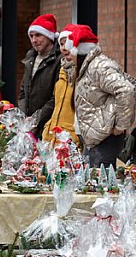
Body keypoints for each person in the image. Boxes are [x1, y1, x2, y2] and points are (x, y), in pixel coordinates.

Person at [67, 25, 136, 167]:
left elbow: (126, 90)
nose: (67, 55)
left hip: (106, 137)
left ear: (78, 51)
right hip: (96, 137)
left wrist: (121, 125)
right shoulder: (86, 67)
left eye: (70, 51)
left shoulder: (99, 67)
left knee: (100, 184)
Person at [19, 14, 61, 138]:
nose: (34, 40)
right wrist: (23, 118)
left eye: (38, 35)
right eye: (31, 36)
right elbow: (23, 91)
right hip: (29, 126)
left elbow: (56, 98)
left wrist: (36, 119)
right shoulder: (30, 58)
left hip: (49, 127)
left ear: (49, 36)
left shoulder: (59, 61)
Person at [41, 25, 79, 144]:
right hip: (54, 136)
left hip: (71, 139)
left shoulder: (83, 72)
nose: (64, 48)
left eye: (68, 44)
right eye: (62, 44)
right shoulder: (62, 70)